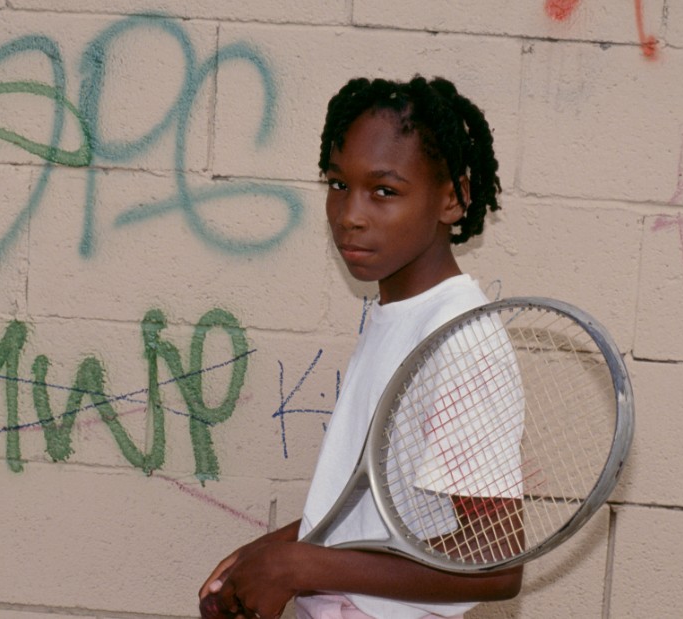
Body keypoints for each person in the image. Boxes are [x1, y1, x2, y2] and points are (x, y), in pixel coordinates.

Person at [199, 75, 522, 619]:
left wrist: (299, 567)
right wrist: (270, 553)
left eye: (384, 191)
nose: (349, 213)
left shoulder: (461, 340)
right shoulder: (397, 315)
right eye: (337, 184)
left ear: (452, 198)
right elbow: (382, 515)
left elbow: (494, 565)